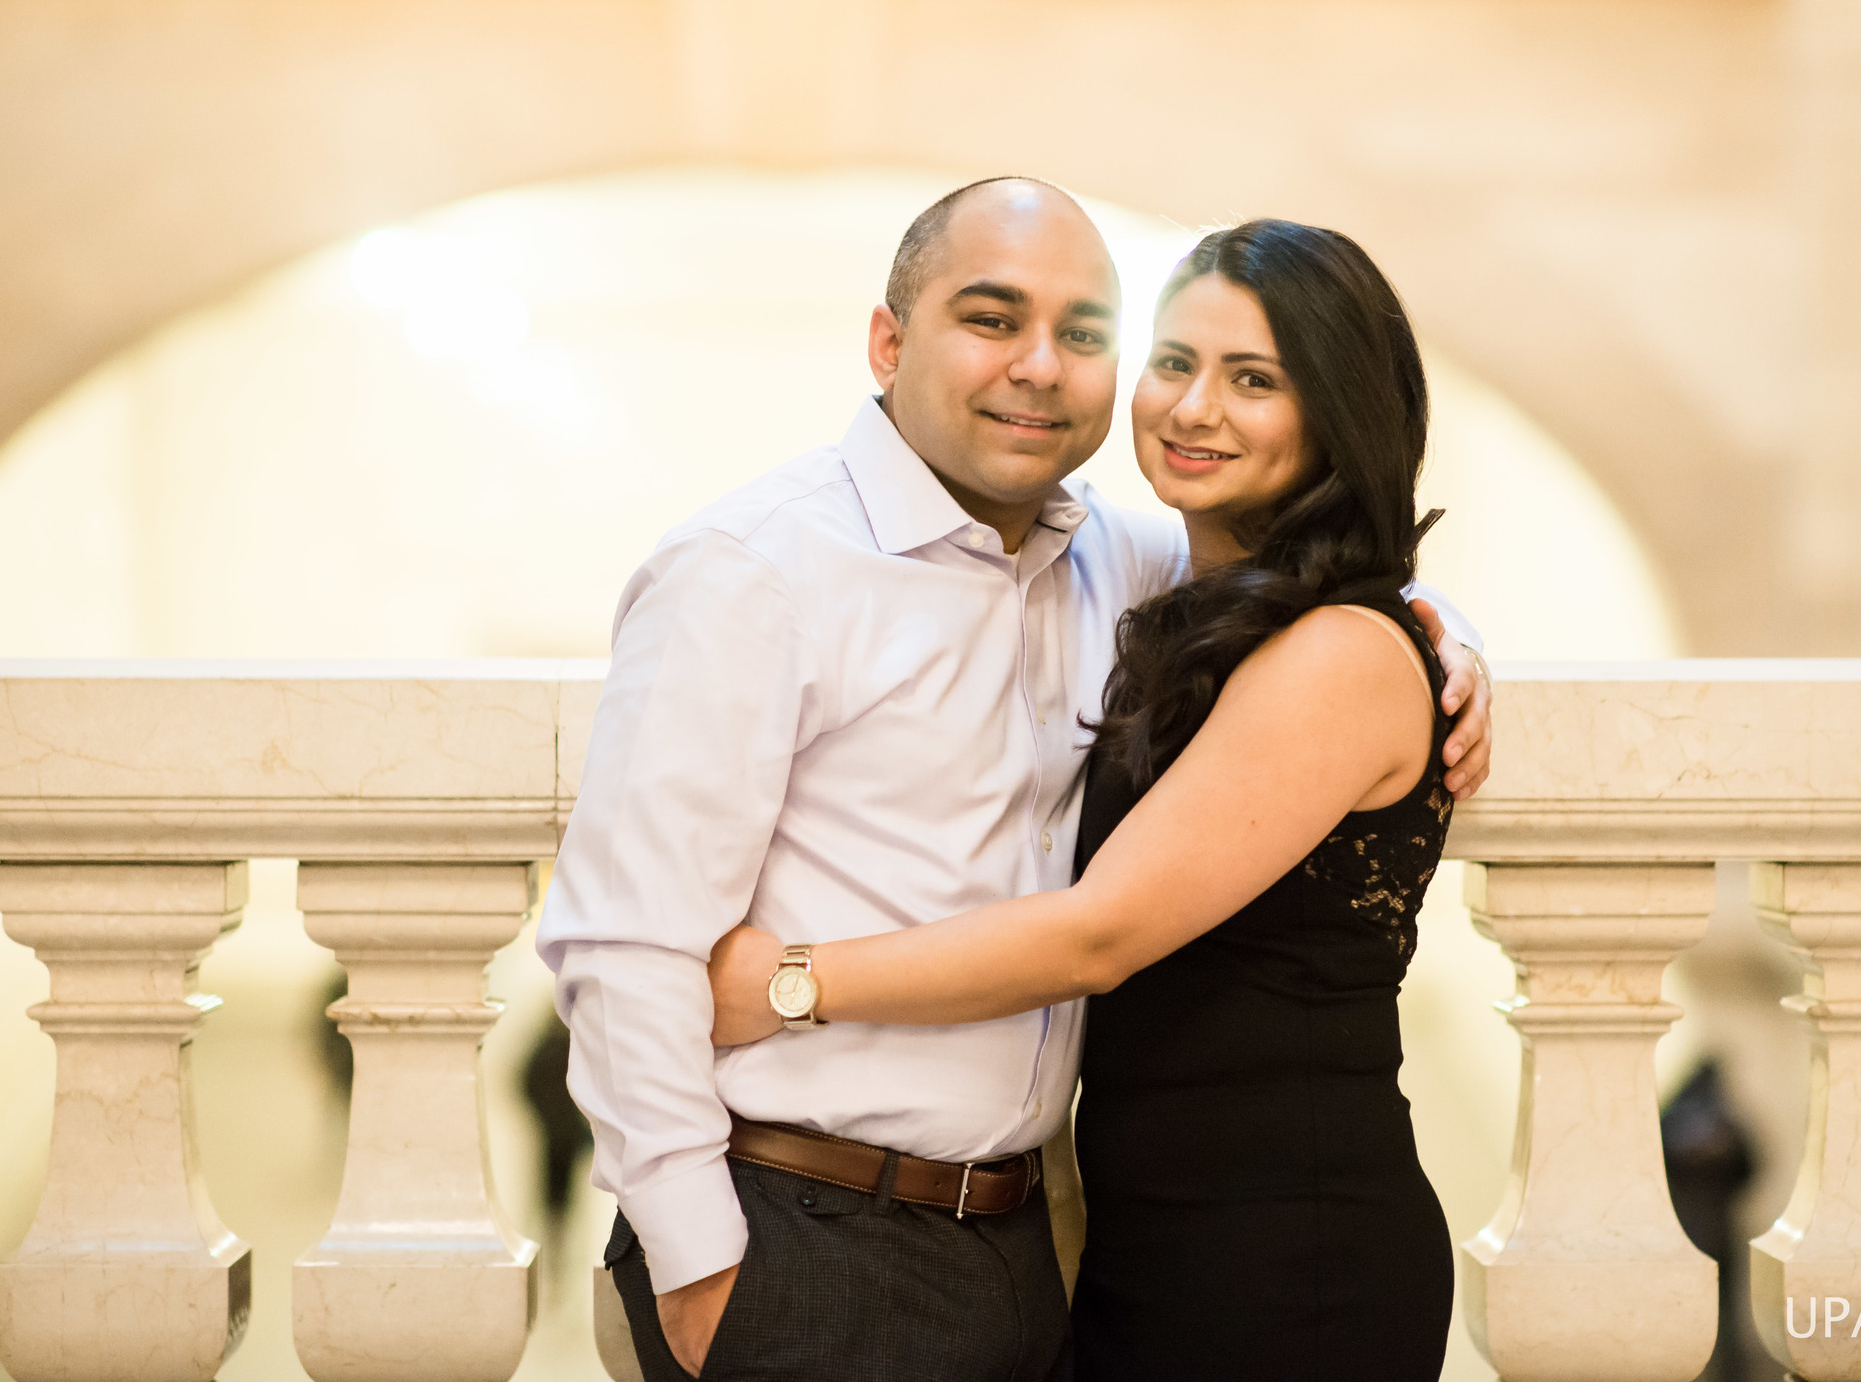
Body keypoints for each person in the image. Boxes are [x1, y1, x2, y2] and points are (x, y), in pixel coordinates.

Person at [535, 179, 1491, 1382]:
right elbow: (617, 942)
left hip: (1034, 1246)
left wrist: (1435, 626)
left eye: (1085, 334)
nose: (1040, 366)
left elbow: (1322, 606)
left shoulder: (1109, 562)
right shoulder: (753, 572)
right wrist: (698, 1265)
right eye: (991, 320)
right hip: (801, 1227)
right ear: (889, 342)